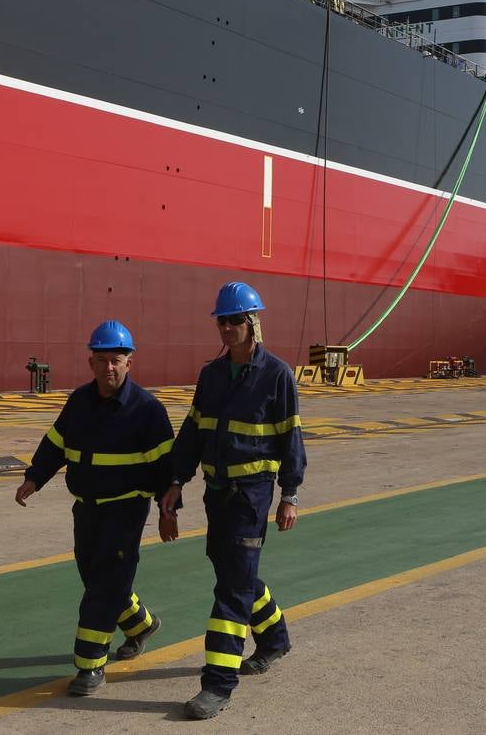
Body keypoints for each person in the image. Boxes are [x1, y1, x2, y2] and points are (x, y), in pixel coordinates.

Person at [159, 282, 307, 720]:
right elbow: (193, 432)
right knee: (234, 572)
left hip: (252, 496)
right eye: (221, 321)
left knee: (231, 588)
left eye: (235, 320)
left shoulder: (277, 374)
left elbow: (290, 439)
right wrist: (175, 480)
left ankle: (218, 685)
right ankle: (275, 639)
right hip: (216, 494)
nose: (227, 328)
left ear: (253, 323)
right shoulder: (211, 375)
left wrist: (290, 494)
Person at [15, 320, 177, 697]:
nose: (108, 368)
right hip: (86, 510)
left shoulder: (147, 410)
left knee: (103, 588)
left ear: (129, 362)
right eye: (101, 360)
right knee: (95, 576)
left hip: (125, 511)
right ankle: (140, 625)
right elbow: (55, 442)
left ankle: (90, 664)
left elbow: (165, 469)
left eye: (116, 360)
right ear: (91, 363)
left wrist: (169, 512)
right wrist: (34, 478)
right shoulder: (79, 402)